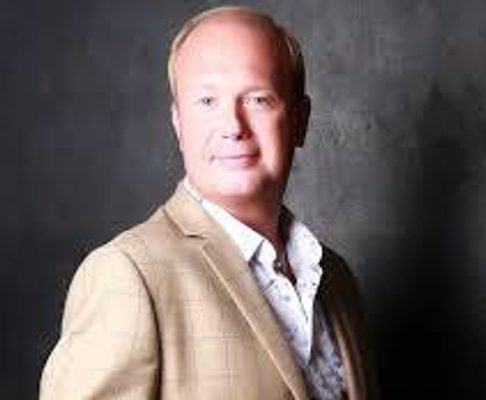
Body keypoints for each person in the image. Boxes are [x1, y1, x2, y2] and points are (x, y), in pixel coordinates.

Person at [40, 6, 372, 400]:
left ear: (300, 120)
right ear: (179, 123)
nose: (233, 127)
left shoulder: (337, 280)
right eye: (207, 101)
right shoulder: (128, 275)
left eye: (258, 99)